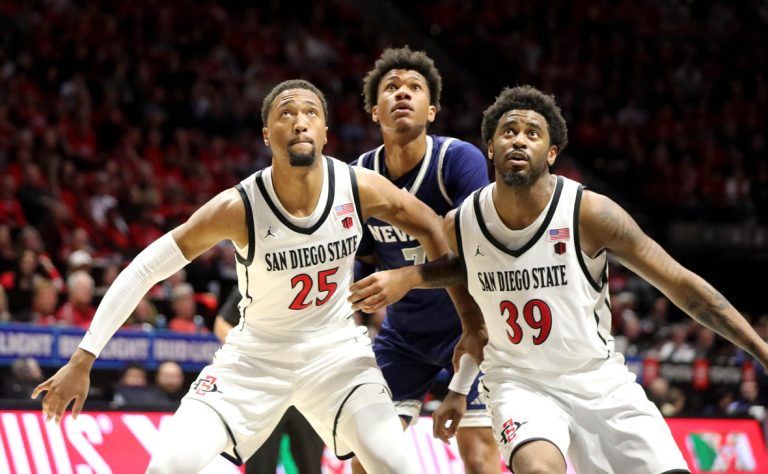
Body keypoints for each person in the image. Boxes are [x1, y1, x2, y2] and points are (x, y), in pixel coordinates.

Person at [31, 79, 453, 473]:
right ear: (268, 135)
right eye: (286, 113)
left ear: (326, 131)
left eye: (311, 113)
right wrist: (84, 357)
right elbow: (144, 268)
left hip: (337, 355)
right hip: (254, 359)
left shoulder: (359, 186)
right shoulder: (238, 206)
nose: (300, 120)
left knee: (399, 467)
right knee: (165, 467)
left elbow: (435, 227)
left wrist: (432, 294)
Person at [350, 85, 768, 473]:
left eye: (532, 133)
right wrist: (412, 281)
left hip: (600, 381)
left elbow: (680, 284)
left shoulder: (590, 213)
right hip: (519, 385)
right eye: (508, 131)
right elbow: (462, 279)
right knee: (538, 468)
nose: (518, 138)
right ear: (490, 150)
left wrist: (760, 349)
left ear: (551, 153)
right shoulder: (462, 223)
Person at [352, 46, 498, 473]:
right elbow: (359, 261)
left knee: (478, 453)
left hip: (470, 325)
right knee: (366, 456)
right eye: (391, 88)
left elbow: (478, 258)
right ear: (374, 111)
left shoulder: (458, 160)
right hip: (404, 334)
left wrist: (407, 278)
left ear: (432, 111)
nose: (402, 93)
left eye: (414, 88)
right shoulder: (359, 174)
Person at [214, 286, 324, 474]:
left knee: (311, 464)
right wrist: (254, 350)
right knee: (261, 465)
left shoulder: (318, 277)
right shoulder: (256, 276)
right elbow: (221, 324)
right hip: (263, 386)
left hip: (307, 382)